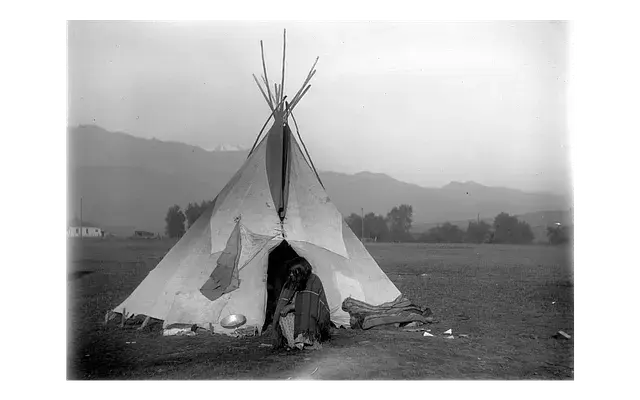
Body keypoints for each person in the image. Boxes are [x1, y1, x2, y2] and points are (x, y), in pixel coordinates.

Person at [272, 257, 331, 350]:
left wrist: (290, 307)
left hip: (314, 317)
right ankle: (296, 343)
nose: (291, 274)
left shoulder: (313, 280)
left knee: (306, 313)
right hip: (298, 313)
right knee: (284, 317)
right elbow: (283, 301)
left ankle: (309, 340)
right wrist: (286, 308)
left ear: (301, 271)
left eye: (293, 272)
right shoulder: (292, 281)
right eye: (290, 272)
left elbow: (311, 305)